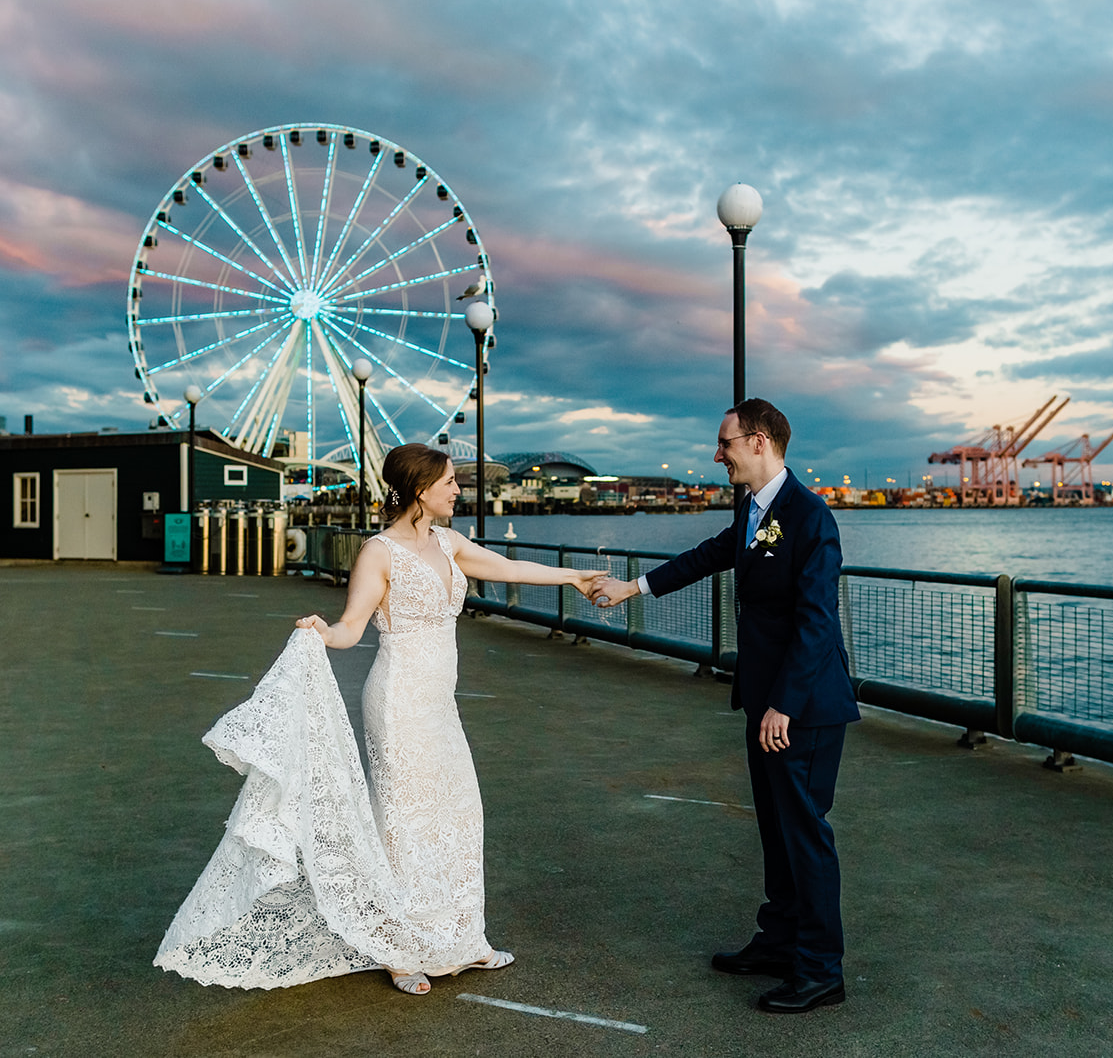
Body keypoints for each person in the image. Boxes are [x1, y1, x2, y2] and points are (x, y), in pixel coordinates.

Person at [155, 443, 604, 996]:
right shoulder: (379, 552)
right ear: (420, 489)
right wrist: (320, 632)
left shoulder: (448, 542)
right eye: (449, 483)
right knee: (404, 823)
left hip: (441, 704)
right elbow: (350, 629)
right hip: (398, 703)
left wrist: (574, 579)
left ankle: (464, 939)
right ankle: (399, 950)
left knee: (461, 811)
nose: (459, 491)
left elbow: (508, 567)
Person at [590, 399, 859, 1014]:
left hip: (804, 710)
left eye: (725, 443)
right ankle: (779, 940)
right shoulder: (751, 510)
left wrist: (785, 705)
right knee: (775, 828)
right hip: (765, 703)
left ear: (758, 441)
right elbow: (709, 557)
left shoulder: (812, 519)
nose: (718, 455)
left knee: (806, 834)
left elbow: (817, 622)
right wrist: (633, 587)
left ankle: (820, 970)